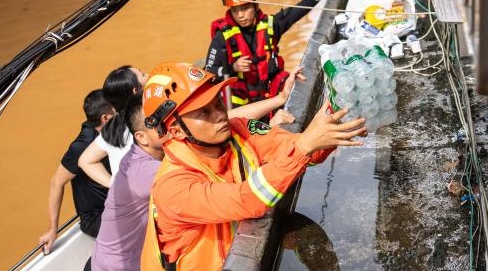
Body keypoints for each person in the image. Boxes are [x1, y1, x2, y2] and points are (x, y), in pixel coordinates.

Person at [139, 62, 366, 270]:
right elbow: (248, 199)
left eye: (218, 101)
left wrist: (335, 120)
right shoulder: (173, 188)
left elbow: (298, 149)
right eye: (204, 112)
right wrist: (305, 145)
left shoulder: (240, 130)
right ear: (177, 131)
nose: (220, 114)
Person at [203, 0, 343, 111]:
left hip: (270, 98)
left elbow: (299, 10)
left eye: (244, 8)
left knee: (292, 83)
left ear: (255, 5)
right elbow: (208, 73)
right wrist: (232, 68)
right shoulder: (222, 37)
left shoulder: (270, 26)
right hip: (242, 108)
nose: (240, 15)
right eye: (234, 10)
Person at [86, 94, 166, 271]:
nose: (168, 124)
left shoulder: (135, 154)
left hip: (106, 260)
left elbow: (86, 160)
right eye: (158, 122)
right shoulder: (146, 170)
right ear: (141, 137)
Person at [38, 89, 114, 255]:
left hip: (117, 204)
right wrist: (53, 229)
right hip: (97, 216)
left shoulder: (111, 132)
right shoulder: (82, 145)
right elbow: (56, 182)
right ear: (106, 118)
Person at [79, 65, 148, 187]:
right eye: (142, 75)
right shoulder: (147, 121)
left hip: (125, 200)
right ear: (135, 90)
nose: (148, 75)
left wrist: (113, 183)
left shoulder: (113, 128)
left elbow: (85, 161)